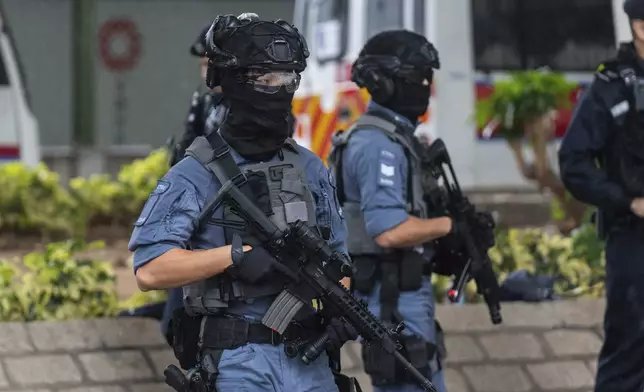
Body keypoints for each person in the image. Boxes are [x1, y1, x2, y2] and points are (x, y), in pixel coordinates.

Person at [129, 13, 358, 392]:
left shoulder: (310, 168)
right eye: (266, 80)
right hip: (238, 358)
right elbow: (150, 270)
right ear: (234, 82)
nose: (280, 89)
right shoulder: (196, 172)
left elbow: (338, 260)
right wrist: (234, 257)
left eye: (289, 80)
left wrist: (341, 308)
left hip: (309, 359)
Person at [327, 30, 451, 392]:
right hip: (392, 297)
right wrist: (447, 225)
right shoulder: (377, 144)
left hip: (403, 292)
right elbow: (389, 230)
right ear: (389, 83)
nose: (426, 87)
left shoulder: (395, 138)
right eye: (420, 78)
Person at [558, 1, 644, 391]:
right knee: (630, 352)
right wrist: (628, 201)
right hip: (634, 240)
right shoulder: (611, 87)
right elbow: (573, 161)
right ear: (640, 26)